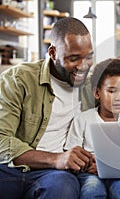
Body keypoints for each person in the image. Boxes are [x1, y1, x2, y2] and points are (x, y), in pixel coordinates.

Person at [0, 17, 95, 198]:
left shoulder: (91, 89)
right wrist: (56, 159)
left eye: (88, 57)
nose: (83, 66)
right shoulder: (18, 79)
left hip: (54, 176)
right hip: (9, 168)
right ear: (53, 53)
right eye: (74, 58)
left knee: (63, 189)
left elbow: (112, 123)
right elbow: (1, 138)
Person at [64, 58, 120, 199]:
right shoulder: (82, 120)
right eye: (112, 91)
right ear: (97, 93)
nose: (119, 98)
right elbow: (72, 154)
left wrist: (108, 167)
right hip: (89, 173)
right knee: (92, 188)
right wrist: (89, 165)